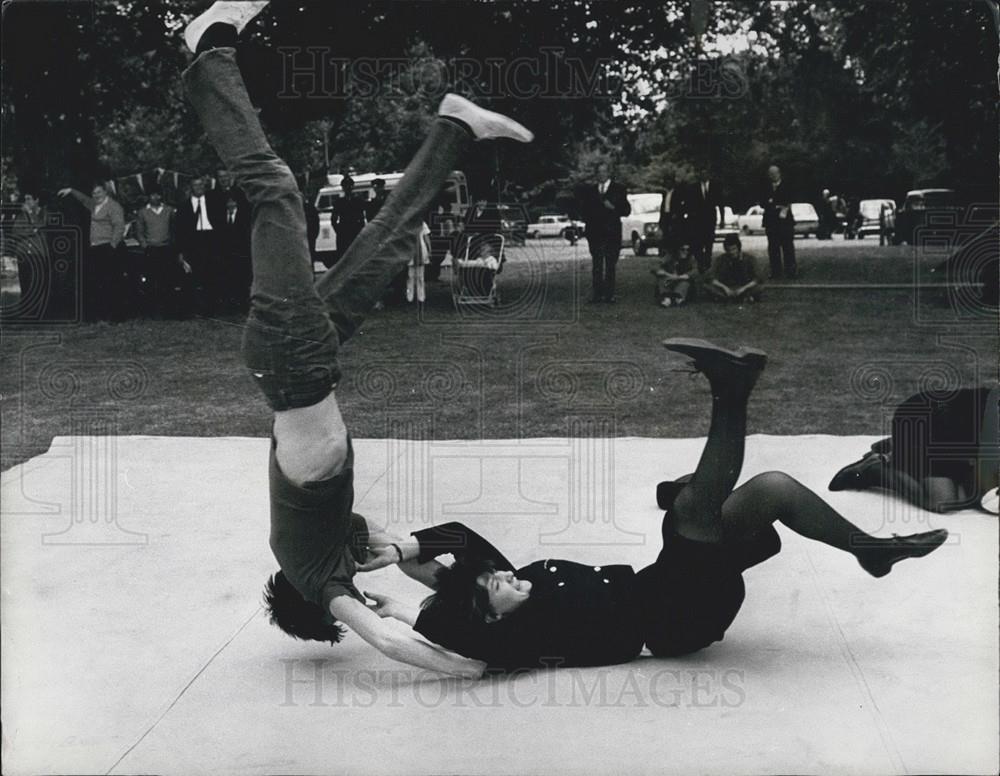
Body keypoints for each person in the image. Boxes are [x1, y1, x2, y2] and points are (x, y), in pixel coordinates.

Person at [181, 0, 532, 675]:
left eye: (347, 607)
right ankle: (456, 127)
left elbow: (389, 641)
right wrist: (420, 582)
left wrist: (470, 667)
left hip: (293, 362)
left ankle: (209, 55)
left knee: (277, 192)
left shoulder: (318, 576)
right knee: (386, 243)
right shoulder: (333, 546)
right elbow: (422, 556)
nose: (360, 598)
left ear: (316, 607)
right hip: (311, 357)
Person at [358, 339, 949, 671]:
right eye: (498, 587)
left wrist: (402, 548)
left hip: (666, 583)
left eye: (502, 574)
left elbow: (460, 541)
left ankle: (870, 550)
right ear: (491, 618)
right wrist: (393, 612)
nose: (508, 573)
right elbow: (446, 635)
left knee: (772, 487)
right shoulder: (511, 641)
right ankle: (726, 390)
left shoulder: (512, 593)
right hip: (674, 621)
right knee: (688, 513)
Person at [829, 386, 999, 514]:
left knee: (970, 495)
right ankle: (874, 469)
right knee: (943, 501)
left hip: (956, 436)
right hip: (925, 422)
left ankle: (897, 446)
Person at [58, 181, 126, 321]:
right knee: (98, 282)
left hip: (108, 246)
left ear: (105, 192)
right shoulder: (94, 205)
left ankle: (116, 316)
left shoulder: (113, 206)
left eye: (99, 192)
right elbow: (83, 199)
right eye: (94, 193)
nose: (96, 195)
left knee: (111, 282)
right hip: (95, 247)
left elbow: (119, 226)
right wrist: (71, 190)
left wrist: (113, 245)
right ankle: (101, 314)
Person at [577, 160, 630, 303]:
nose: (602, 174)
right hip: (595, 233)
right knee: (597, 265)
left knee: (610, 264)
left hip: (612, 232)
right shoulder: (590, 191)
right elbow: (584, 211)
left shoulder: (619, 189)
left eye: (604, 171)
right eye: (599, 172)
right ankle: (597, 294)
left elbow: (626, 210)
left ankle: (609, 294)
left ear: (609, 172)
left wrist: (613, 207)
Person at [175, 176, 222, 314]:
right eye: (196, 185)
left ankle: (210, 309)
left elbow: (221, 224)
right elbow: (179, 230)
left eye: (201, 185)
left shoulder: (214, 202)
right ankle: (188, 309)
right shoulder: (184, 206)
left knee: (211, 275)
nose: (199, 188)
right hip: (192, 241)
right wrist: (181, 251)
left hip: (210, 239)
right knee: (189, 276)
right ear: (191, 188)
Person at [134, 187, 184, 317]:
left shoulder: (169, 211)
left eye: (158, 195)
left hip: (166, 249)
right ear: (148, 197)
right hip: (151, 249)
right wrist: (145, 245)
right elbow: (139, 231)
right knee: (151, 280)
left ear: (161, 196)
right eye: (152, 195)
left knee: (167, 279)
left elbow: (174, 229)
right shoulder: (143, 212)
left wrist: (172, 245)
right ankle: (152, 310)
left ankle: (168, 310)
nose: (155, 198)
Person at [702, 234, 764, 303]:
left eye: (734, 249)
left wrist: (743, 289)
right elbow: (710, 276)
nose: (731, 252)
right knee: (706, 286)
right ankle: (742, 299)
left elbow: (758, 278)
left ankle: (728, 299)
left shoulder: (750, 259)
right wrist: (725, 288)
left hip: (744, 286)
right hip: (727, 287)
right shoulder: (721, 259)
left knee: (760, 287)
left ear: (739, 248)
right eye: (728, 250)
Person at [682, 172, 722, 274]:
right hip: (697, 221)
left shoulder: (715, 186)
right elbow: (689, 203)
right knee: (698, 243)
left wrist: (722, 219)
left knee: (709, 243)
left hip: (710, 219)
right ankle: (701, 263)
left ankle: (707, 263)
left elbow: (721, 202)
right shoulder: (693, 187)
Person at [762, 164, 797, 279]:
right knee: (773, 248)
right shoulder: (766, 187)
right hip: (771, 222)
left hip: (785, 222)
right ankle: (775, 271)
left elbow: (788, 200)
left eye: (775, 173)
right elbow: (763, 202)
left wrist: (774, 203)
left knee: (788, 247)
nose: (773, 176)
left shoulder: (787, 185)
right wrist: (773, 203)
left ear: (779, 173)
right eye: (770, 174)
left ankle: (791, 270)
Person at [333, 175, 367, 261]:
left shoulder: (358, 201)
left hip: (355, 230)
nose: (348, 188)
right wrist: (338, 230)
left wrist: (360, 229)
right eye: (345, 186)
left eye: (350, 185)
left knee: (356, 256)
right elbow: (333, 218)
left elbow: (361, 217)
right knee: (343, 256)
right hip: (343, 231)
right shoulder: (339, 202)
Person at [652, 241, 695, 308]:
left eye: (688, 250)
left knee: (685, 283)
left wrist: (677, 277)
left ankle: (678, 298)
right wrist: (666, 274)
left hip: (681, 281)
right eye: (683, 249)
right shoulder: (670, 256)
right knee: (661, 279)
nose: (686, 251)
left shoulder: (690, 259)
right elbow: (656, 267)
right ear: (678, 250)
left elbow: (693, 272)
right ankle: (666, 298)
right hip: (669, 280)